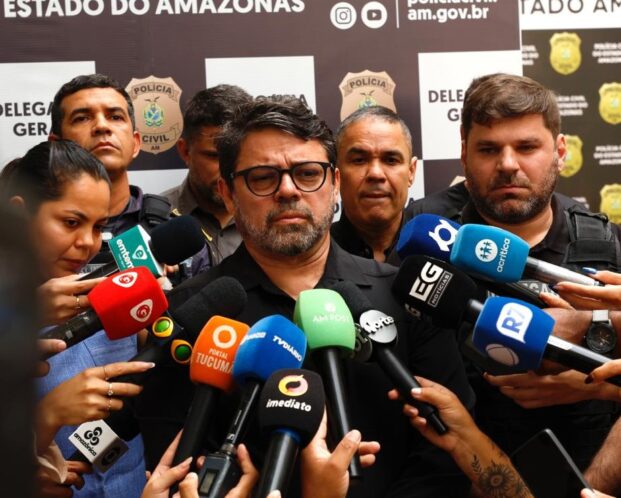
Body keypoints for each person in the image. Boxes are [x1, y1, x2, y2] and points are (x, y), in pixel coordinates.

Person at [135, 96, 475, 497]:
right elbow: (176, 466)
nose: (288, 190)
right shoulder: (188, 314)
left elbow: (445, 459)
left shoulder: (407, 296)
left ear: (334, 184)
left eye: (308, 173)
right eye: (263, 177)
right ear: (227, 193)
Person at [433, 73, 621, 470]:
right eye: (488, 149)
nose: (507, 164)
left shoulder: (607, 244)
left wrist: (598, 383)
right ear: (464, 154)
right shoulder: (430, 247)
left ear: (560, 151)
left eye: (526, 147)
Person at [39, 74, 176, 498]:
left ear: (136, 142)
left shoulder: (162, 242)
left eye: (99, 227)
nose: (87, 243)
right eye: (70, 222)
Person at [162, 84, 252, 270]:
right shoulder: (155, 219)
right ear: (185, 151)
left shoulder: (271, 217)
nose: (228, 169)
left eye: (238, 155)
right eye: (214, 156)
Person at [331, 106, 416, 262]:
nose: (376, 174)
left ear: (411, 171)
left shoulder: (443, 253)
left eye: (391, 160)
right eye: (359, 160)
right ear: (336, 174)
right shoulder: (311, 256)